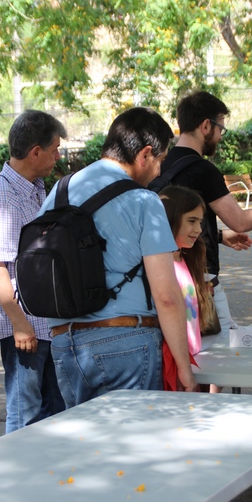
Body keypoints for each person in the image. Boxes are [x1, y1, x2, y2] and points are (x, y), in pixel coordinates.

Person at [41, 107, 198, 407]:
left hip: (65, 345)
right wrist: (183, 367)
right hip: (126, 344)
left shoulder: (58, 192)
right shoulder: (144, 201)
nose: (159, 172)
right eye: (161, 161)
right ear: (145, 154)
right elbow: (166, 296)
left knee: (90, 436)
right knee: (134, 436)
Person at [157, 91, 252, 354]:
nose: (220, 136)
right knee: (219, 355)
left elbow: (172, 222)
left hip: (165, 275)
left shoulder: (159, 165)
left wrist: (217, 236)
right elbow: (240, 220)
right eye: (220, 129)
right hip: (201, 280)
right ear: (206, 125)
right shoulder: (203, 170)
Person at [0, 110, 66, 434]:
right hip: (25, 325)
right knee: (24, 413)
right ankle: (17, 465)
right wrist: (20, 324)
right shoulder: (2, 196)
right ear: (36, 152)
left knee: (56, 410)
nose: (58, 156)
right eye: (55, 149)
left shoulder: (35, 188)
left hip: (44, 322)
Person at [159, 185, 215, 390]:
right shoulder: (161, 264)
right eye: (191, 221)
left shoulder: (186, 257)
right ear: (170, 218)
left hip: (194, 356)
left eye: (200, 222)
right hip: (174, 361)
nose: (198, 229)